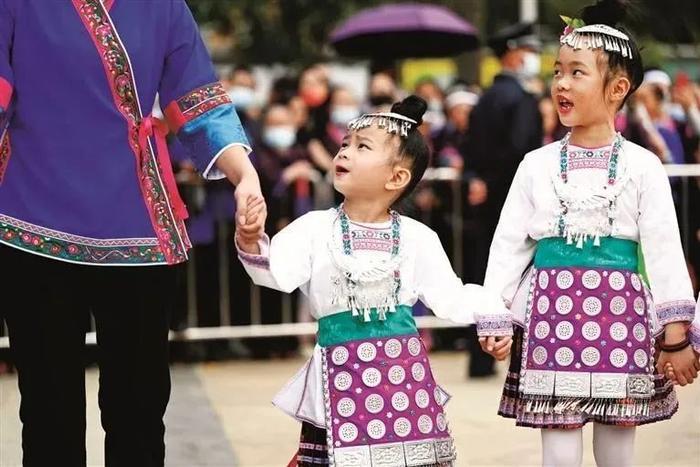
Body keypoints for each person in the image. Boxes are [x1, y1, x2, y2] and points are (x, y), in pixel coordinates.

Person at [0, 1, 264, 466]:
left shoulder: (163, 6)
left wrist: (245, 176)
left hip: (139, 225)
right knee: (48, 412)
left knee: (139, 410)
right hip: (33, 219)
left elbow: (198, 100)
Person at [235, 96, 511, 467]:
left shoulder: (417, 237)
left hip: (403, 383)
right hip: (338, 379)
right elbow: (275, 272)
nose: (344, 152)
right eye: (345, 144)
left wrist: (492, 317)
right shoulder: (315, 229)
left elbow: (451, 296)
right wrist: (251, 239)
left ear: (397, 177)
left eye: (362, 147)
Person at [481, 2, 700, 466]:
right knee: (558, 453)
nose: (561, 83)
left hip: (622, 320)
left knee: (617, 451)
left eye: (577, 72)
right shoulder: (535, 165)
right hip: (549, 320)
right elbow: (508, 246)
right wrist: (495, 315)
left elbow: (663, 251)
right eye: (557, 71)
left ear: (617, 88)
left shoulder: (643, 166)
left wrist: (676, 335)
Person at [464, 20, 544, 378]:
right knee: (521, 276)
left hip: (486, 199)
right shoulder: (521, 99)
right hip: (514, 199)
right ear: (512, 54)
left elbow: (471, 149)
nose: (532, 57)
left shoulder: (484, 98)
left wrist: (479, 180)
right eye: (527, 51)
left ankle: (480, 356)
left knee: (487, 273)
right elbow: (521, 151)